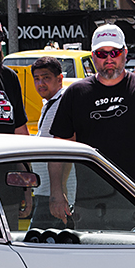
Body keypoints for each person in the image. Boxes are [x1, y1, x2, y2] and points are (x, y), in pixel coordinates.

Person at [48, 22, 135, 211]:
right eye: (102, 53)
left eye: (114, 52)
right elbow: (61, 148)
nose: (109, 58)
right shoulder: (76, 93)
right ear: (93, 57)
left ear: (124, 53)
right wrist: (57, 192)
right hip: (90, 202)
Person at [28, 55, 75, 227]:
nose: (40, 83)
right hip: (47, 190)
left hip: (57, 194)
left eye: (46, 78)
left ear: (59, 79)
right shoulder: (50, 103)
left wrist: (58, 192)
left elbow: (63, 152)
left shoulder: (62, 104)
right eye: (37, 79)